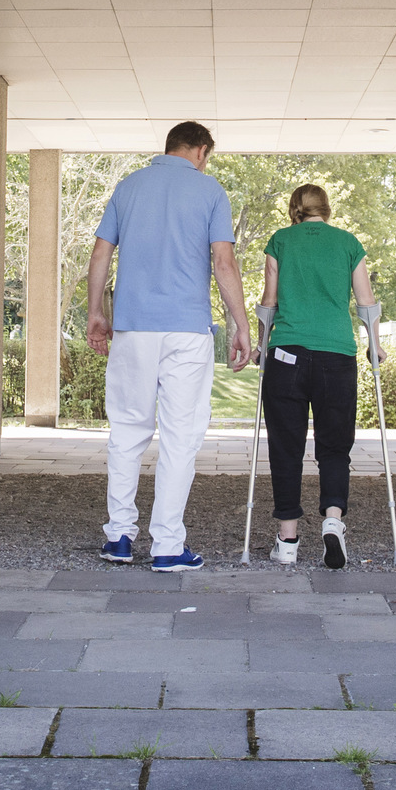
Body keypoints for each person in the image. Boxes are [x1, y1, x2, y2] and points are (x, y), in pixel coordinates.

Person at [86, 121, 250, 572]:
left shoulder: (129, 186)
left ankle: (119, 536)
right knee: (180, 438)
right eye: (206, 156)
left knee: (127, 432)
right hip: (187, 331)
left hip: (134, 327)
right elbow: (223, 261)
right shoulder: (210, 191)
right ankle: (166, 547)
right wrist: (241, 325)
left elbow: (101, 254)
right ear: (200, 151)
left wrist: (95, 312)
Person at [256, 183, 382, 569]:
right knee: (334, 446)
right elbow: (366, 302)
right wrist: (374, 345)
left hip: (287, 354)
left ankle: (288, 540)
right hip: (336, 356)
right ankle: (332, 521)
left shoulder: (280, 241)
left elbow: (269, 302)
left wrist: (262, 343)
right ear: (326, 209)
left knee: (286, 447)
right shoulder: (348, 243)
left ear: (294, 208)